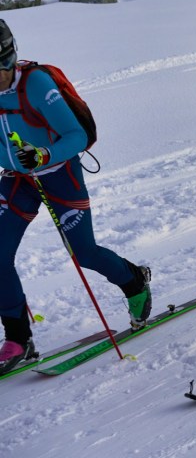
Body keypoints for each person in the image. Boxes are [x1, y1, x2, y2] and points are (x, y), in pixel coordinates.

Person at [0, 19, 151, 374]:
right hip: (18, 179)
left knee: (84, 253)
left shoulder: (35, 84)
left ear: (7, 59)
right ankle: (19, 340)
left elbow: (77, 135)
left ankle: (134, 281)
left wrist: (43, 156)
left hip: (60, 174)